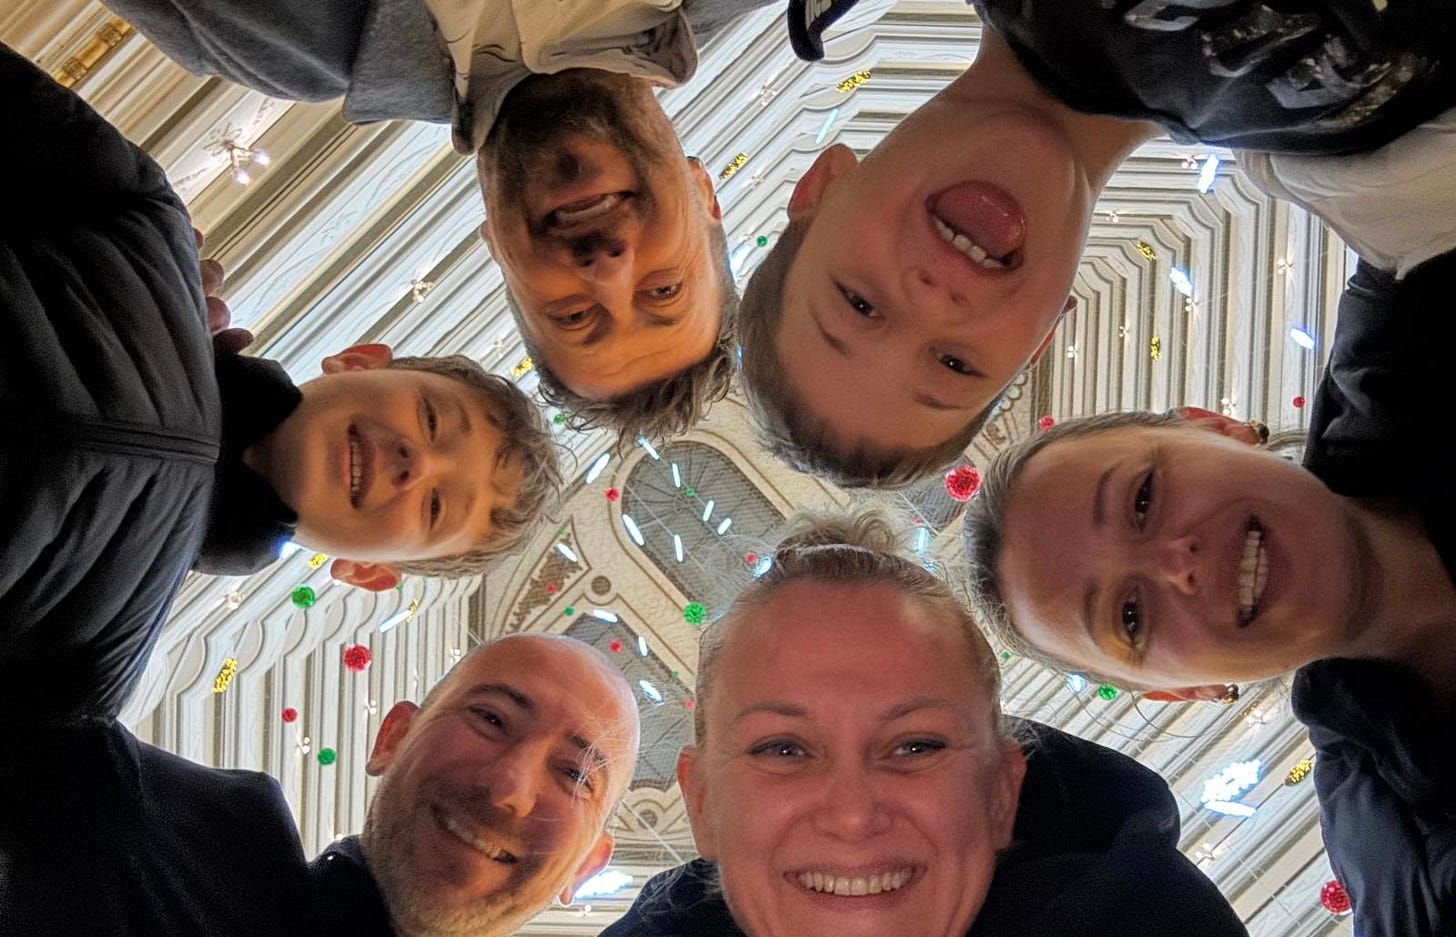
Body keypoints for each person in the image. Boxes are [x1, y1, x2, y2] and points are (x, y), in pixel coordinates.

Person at [452, 513, 1455, 937]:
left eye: (915, 745)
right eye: (784, 748)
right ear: (704, 807)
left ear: (1001, 791)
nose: (852, 812)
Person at [961, 245, 1456, 937]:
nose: (1178, 564)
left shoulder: (1421, 284)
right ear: (1180, 689)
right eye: (1129, 615)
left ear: (1210, 425)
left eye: (1143, 498)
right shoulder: (1429, 928)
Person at [0, 42, 558, 719]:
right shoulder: (148, 226)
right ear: (360, 359)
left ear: (368, 572)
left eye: (437, 507)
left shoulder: (91, 672)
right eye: (433, 420)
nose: (416, 464)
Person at [736, 1, 1456, 487]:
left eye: (859, 304)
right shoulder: (1358, 156)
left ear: (821, 186)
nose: (933, 301)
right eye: (955, 364)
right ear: (1042, 338)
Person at [100, 0, 774, 439]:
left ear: (497, 249)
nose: (608, 269)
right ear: (704, 195)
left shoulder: (263, 35)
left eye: (573, 315)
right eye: (664, 289)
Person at [0, 631, 641, 937]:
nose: (508, 787)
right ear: (393, 737)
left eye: (575, 775)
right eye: (490, 718)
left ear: (586, 867)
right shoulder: (169, 827)